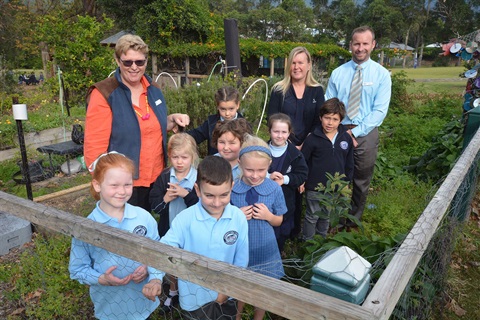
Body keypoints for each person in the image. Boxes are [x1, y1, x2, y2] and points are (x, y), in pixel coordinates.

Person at [84, 34, 190, 212]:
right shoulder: (104, 93)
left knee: (150, 229)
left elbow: (146, 127)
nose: (134, 67)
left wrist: (170, 120)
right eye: (128, 62)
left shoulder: (153, 89)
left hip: (156, 178)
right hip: (125, 183)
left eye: (139, 62)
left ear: (146, 62)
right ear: (118, 61)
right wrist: (106, 184)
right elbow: (94, 147)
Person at [142, 156, 249, 320]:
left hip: (227, 296)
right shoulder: (185, 219)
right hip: (193, 299)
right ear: (197, 190)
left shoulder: (238, 218)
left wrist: (227, 291)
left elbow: (241, 260)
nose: (217, 202)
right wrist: (155, 278)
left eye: (223, 195)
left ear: (232, 188)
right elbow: (163, 248)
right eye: (209, 195)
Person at [69, 152, 162, 320]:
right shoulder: (86, 228)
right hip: (110, 308)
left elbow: (158, 251)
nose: (122, 191)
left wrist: (151, 271)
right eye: (114, 185)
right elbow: (77, 269)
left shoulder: (143, 218)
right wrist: (101, 278)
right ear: (97, 185)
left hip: (142, 302)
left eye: (127, 184)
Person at [325, 26, 391, 226]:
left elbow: (379, 111)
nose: (360, 48)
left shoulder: (381, 75)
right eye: (356, 43)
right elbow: (329, 103)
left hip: (366, 132)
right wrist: (338, 131)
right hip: (338, 129)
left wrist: (355, 132)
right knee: (333, 175)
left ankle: (352, 221)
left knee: (361, 180)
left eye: (365, 43)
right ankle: (329, 218)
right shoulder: (338, 73)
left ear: (373, 45)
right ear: (350, 45)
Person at [230, 135, 287, 320]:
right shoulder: (232, 187)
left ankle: (258, 317)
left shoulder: (274, 189)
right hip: (239, 247)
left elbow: (279, 220)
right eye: (249, 170)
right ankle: (236, 315)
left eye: (261, 170)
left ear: (269, 165)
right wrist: (237, 215)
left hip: (265, 246)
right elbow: (223, 216)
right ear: (239, 163)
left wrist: (268, 216)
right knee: (239, 285)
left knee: (263, 286)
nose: (255, 175)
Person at [149, 133, 199, 312]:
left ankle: (191, 292)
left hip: (193, 231)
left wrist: (186, 194)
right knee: (171, 260)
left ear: (192, 156)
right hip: (169, 228)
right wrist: (166, 198)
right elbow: (154, 204)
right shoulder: (164, 177)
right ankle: (173, 290)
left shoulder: (198, 177)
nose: (179, 162)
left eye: (184, 157)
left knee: (191, 259)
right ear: (169, 156)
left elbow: (204, 206)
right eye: (175, 157)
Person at [301, 98, 354, 239]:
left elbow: (349, 161)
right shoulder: (313, 139)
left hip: (335, 187)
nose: (330, 123)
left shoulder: (345, 139)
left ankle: (321, 242)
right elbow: (303, 161)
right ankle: (308, 244)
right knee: (312, 216)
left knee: (326, 216)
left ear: (341, 120)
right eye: (327, 118)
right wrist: (302, 180)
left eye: (335, 119)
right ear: (320, 118)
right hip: (315, 186)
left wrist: (346, 181)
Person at [268, 46, 325, 148]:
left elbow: (319, 121)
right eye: (293, 63)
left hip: (310, 146)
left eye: (300, 63)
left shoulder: (317, 91)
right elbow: (272, 119)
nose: (296, 67)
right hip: (282, 144)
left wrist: (306, 144)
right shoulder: (278, 90)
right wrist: (287, 143)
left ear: (308, 65)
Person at [267, 113, 308, 250]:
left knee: (280, 235)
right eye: (276, 131)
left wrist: (285, 179)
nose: (279, 135)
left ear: (289, 133)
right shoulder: (262, 150)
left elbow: (302, 174)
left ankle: (277, 258)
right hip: (263, 202)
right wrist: (267, 176)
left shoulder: (295, 155)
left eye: (284, 132)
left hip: (285, 202)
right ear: (269, 131)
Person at [187, 86, 248, 155]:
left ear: (238, 105)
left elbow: (249, 148)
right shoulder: (211, 123)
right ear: (217, 106)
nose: (227, 114)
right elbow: (195, 136)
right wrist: (179, 132)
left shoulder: (244, 125)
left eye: (231, 109)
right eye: (223, 109)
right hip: (215, 163)